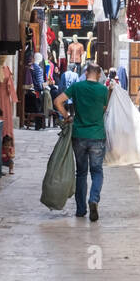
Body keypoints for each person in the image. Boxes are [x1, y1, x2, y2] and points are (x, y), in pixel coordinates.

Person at [54, 62, 111, 221]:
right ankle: (93, 199)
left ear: (86, 73)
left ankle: (80, 210)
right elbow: (104, 109)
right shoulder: (103, 89)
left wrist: (67, 117)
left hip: (78, 135)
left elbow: (58, 101)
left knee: (81, 173)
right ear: (99, 75)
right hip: (97, 136)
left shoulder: (77, 87)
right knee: (97, 171)